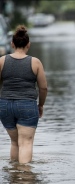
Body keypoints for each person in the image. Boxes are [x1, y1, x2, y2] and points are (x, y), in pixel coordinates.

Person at [0, 25, 47, 164]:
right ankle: (24, 177)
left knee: (15, 142)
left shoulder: (2, 61)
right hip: (27, 105)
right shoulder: (35, 62)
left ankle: (14, 175)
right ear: (28, 45)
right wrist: (41, 105)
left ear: (12, 44)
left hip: (5, 105)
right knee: (26, 142)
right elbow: (43, 88)